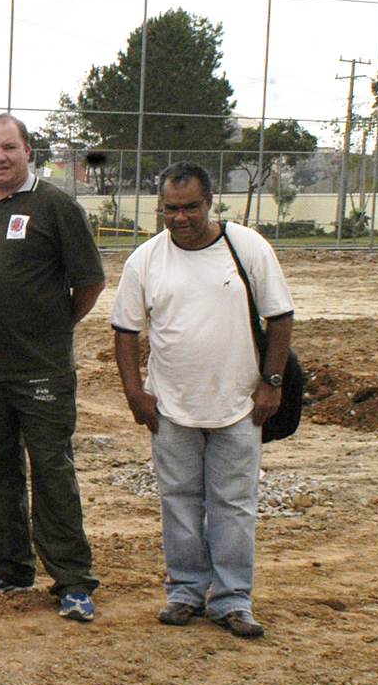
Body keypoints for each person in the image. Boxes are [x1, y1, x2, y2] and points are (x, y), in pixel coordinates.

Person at [110, 162, 294, 639]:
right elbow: (126, 331)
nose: (180, 218)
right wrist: (136, 394)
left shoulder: (246, 247)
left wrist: (271, 382)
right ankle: (186, 592)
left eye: (190, 206)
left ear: (210, 203)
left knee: (234, 503)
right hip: (171, 408)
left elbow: (280, 316)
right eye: (170, 209)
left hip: (240, 405)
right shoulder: (145, 260)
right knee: (179, 502)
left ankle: (233, 600)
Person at [0, 114, 106, 621]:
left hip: (42, 373)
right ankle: (11, 567)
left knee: (52, 472)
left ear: (28, 151)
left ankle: (73, 580)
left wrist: (54, 328)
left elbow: (90, 284)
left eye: (8, 148)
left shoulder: (56, 207)